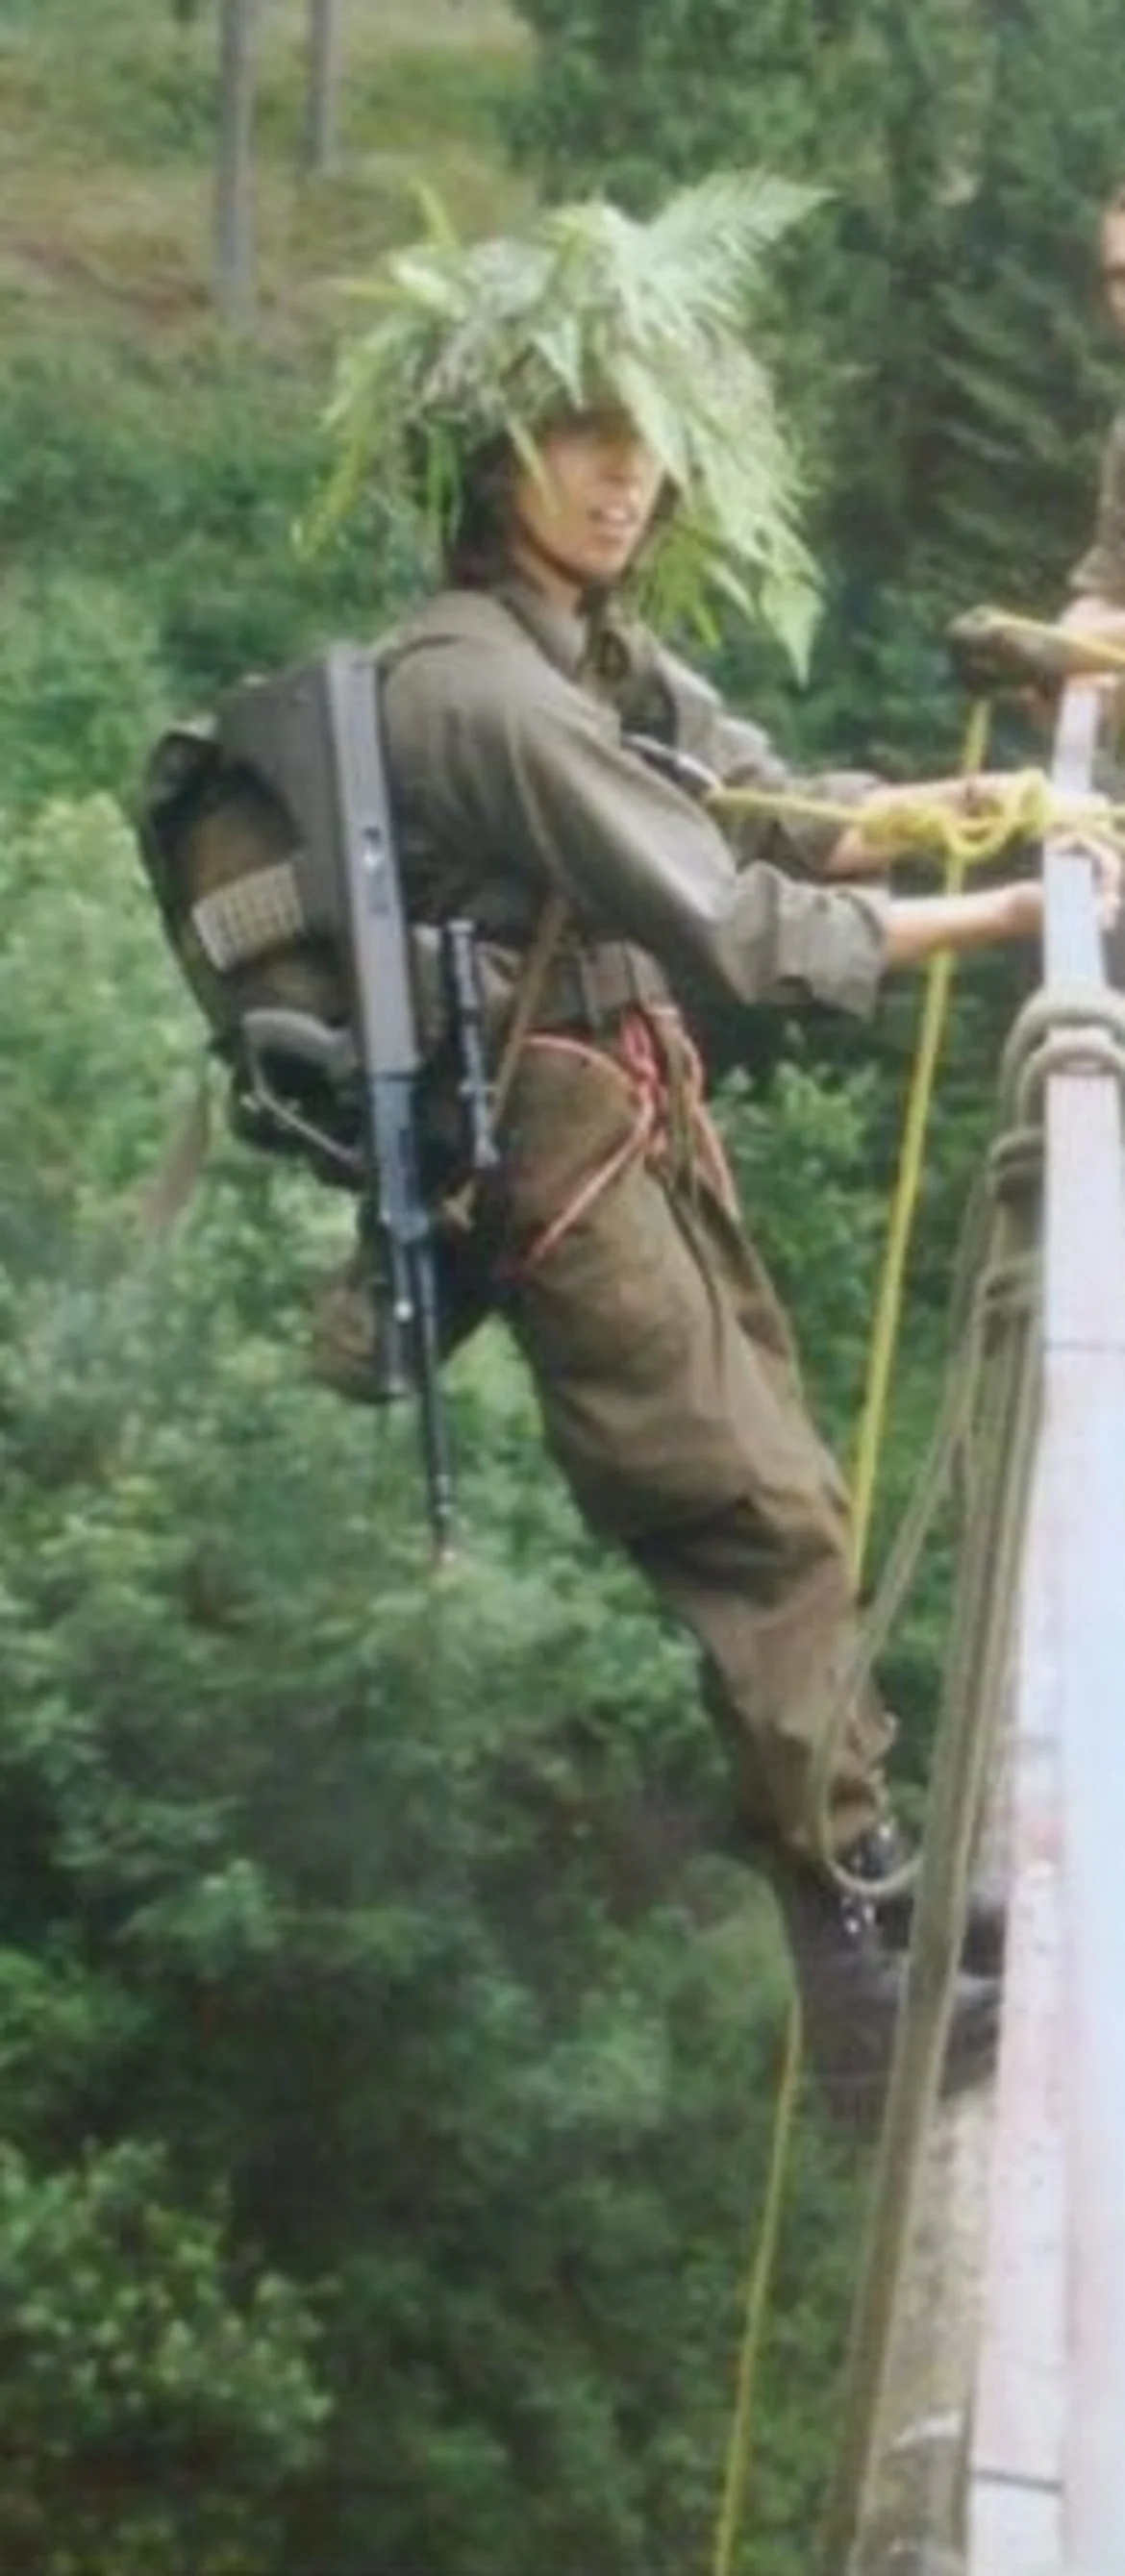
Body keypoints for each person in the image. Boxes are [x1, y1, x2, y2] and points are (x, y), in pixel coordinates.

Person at [310, 178, 1115, 2123]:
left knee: (794, 1497)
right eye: (583, 436)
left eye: (647, 442)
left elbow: (761, 806)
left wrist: (977, 810)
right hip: (553, 1160)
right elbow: (737, 920)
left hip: (616, 1109)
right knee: (761, 1519)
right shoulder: (484, 691)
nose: (625, 478)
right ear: (494, 452)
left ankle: (879, 1894)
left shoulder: (585, 651)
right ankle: (859, 1967)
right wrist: (1010, 917)